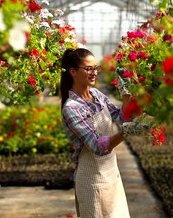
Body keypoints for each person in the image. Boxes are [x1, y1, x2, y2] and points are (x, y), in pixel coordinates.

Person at [60, 48, 148, 218]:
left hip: (112, 175)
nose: (94, 73)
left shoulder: (96, 95)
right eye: (88, 69)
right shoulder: (72, 108)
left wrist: (126, 96)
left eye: (95, 68)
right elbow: (97, 146)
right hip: (93, 182)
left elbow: (119, 117)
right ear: (73, 72)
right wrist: (127, 131)